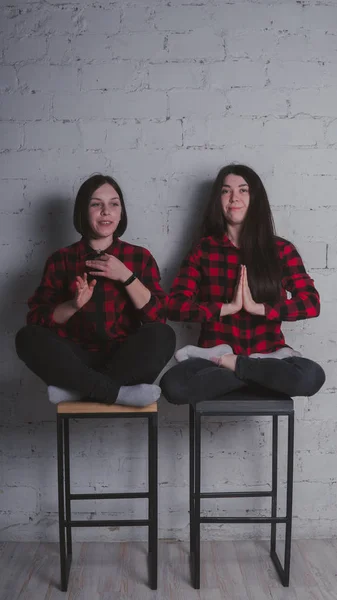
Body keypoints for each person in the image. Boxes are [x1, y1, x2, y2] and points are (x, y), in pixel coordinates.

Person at [160, 164, 325, 405]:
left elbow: (311, 303)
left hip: (269, 356)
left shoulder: (281, 250)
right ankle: (246, 369)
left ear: (255, 198)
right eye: (226, 191)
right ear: (218, 200)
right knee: (172, 386)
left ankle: (236, 365)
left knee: (312, 376)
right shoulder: (203, 251)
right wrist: (225, 308)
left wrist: (262, 309)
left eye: (243, 190)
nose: (234, 197)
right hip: (216, 360)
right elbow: (174, 306)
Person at [16, 174, 175, 406]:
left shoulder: (139, 257)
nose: (106, 211)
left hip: (124, 359)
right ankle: (115, 393)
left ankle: (79, 391)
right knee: (26, 338)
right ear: (83, 210)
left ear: (121, 212)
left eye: (114, 204)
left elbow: (157, 316)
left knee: (164, 335)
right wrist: (72, 305)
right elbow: (36, 319)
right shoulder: (61, 259)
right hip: (75, 360)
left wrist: (126, 276)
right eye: (96, 204)